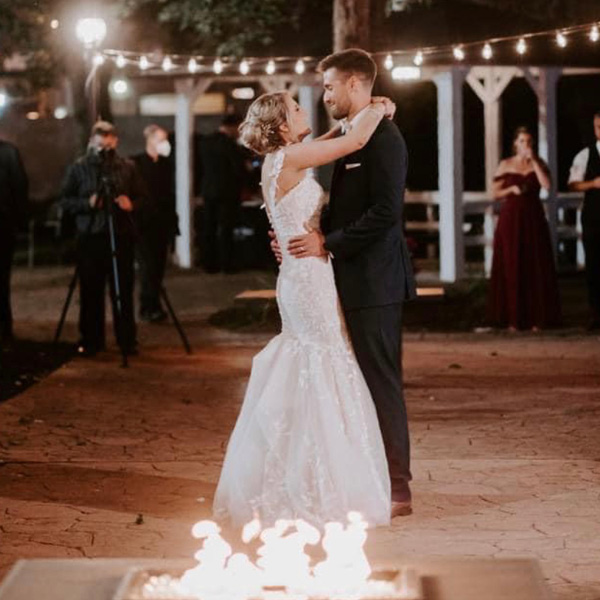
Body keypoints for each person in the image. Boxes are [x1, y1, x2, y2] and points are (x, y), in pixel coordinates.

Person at [214, 49, 416, 527]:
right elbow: (347, 143)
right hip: (312, 276)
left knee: (345, 372)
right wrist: (379, 107)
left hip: (332, 273)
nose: (318, 100)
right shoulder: (299, 155)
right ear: (283, 127)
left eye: (326, 89)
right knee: (327, 369)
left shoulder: (311, 152)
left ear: (351, 83)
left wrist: (310, 239)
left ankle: (378, 480)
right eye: (301, 104)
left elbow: (378, 200)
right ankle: (326, 475)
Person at [61, 121, 145, 357]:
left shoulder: (127, 167)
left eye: (108, 146)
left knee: (123, 290)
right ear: (91, 144)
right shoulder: (78, 168)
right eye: (99, 146)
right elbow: (64, 201)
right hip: (91, 236)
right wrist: (87, 204)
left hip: (120, 235)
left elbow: (143, 197)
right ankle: (91, 340)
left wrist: (132, 204)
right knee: (90, 291)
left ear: (115, 142)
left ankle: (127, 340)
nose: (104, 151)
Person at [487, 127, 562, 331]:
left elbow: (547, 185)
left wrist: (534, 161)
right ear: (515, 143)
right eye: (522, 141)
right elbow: (493, 194)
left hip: (533, 218)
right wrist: (512, 189)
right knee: (513, 263)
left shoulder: (538, 163)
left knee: (534, 264)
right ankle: (513, 318)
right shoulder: (506, 164)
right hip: (511, 219)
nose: (526, 144)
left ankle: (537, 318)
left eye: (529, 141)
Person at [132, 125, 178, 323]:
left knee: (158, 267)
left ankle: (154, 304)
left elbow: (168, 194)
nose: (165, 143)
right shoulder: (136, 163)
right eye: (161, 139)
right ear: (150, 140)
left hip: (162, 223)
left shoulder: (166, 164)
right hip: (144, 224)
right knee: (147, 267)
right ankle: (148, 306)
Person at [198, 115, 245, 273]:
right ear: (232, 127)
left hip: (208, 190)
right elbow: (239, 169)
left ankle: (209, 264)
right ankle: (227, 264)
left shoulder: (205, 142)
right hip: (227, 191)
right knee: (226, 229)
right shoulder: (230, 145)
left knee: (209, 228)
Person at [568, 111, 600, 330]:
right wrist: (593, 184)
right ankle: (596, 314)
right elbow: (573, 183)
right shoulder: (585, 155)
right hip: (595, 217)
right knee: (595, 265)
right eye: (598, 126)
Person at [0, 139, 28, 346]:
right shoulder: (9, 152)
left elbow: (19, 187)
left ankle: (3, 328)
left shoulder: (8, 152)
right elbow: (19, 186)